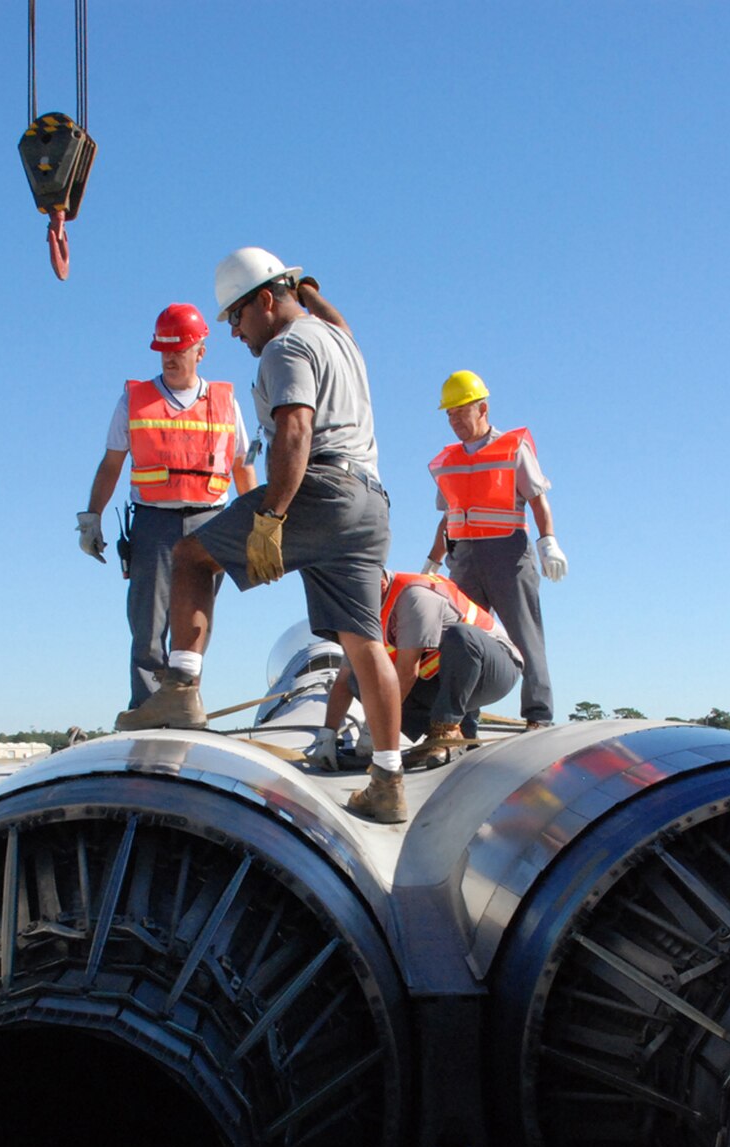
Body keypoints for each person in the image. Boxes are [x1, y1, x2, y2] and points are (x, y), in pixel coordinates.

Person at [115, 248, 409, 824]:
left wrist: (272, 517)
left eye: (235, 317)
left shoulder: (286, 346)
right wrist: (310, 285)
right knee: (363, 643)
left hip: (319, 489)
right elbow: (337, 318)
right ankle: (388, 778)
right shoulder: (338, 338)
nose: (233, 331)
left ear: (265, 302)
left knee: (193, 556)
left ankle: (180, 686)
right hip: (371, 504)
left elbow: (295, 429)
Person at [77, 303, 255, 711]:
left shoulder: (226, 403)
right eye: (164, 350)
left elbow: (243, 467)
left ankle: (184, 701)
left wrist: (258, 525)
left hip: (211, 521)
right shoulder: (134, 401)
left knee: (193, 623)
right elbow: (111, 465)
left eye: (180, 349)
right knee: (147, 622)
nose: (171, 358)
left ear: (201, 351)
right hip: (154, 523)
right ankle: (147, 706)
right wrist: (92, 518)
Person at [422, 370, 567, 728]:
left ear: (482, 409)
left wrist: (548, 543)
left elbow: (537, 500)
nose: (454, 420)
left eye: (461, 412)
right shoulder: (448, 462)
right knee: (463, 639)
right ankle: (462, 722)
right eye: (449, 414)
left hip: (508, 555)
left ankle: (538, 716)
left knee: (525, 634)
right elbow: (449, 518)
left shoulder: (512, 448)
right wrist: (432, 563)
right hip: (464, 560)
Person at [316, 570, 522, 769]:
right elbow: (344, 681)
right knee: (357, 679)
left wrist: (373, 730)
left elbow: (407, 672)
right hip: (444, 682)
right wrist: (328, 735)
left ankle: (447, 730)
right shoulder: (363, 616)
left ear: (380, 584)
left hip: (494, 671)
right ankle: (457, 729)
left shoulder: (413, 596)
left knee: (462, 636)